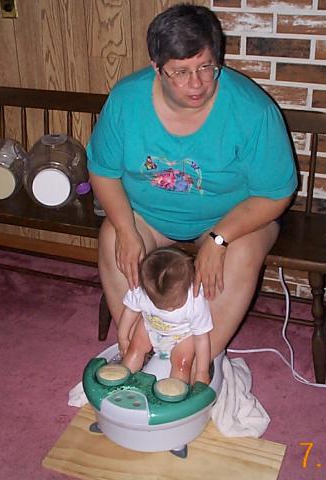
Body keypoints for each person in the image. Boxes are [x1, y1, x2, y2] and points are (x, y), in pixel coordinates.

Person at [87, 4, 297, 374]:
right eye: (181, 72)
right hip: (149, 216)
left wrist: (219, 239)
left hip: (230, 219)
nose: (197, 84)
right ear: (157, 68)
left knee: (240, 255)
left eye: (206, 67)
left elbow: (276, 194)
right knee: (112, 237)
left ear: (219, 59)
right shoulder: (126, 100)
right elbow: (103, 172)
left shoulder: (253, 111)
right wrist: (125, 229)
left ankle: (194, 361)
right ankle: (139, 347)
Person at [118, 247, 212, 385]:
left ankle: (174, 392)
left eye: (175, 304)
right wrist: (123, 338)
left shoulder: (195, 302)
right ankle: (120, 382)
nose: (169, 309)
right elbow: (129, 312)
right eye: (159, 304)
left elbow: (201, 339)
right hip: (150, 326)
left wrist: (201, 372)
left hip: (182, 335)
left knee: (182, 365)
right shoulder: (141, 291)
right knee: (133, 350)